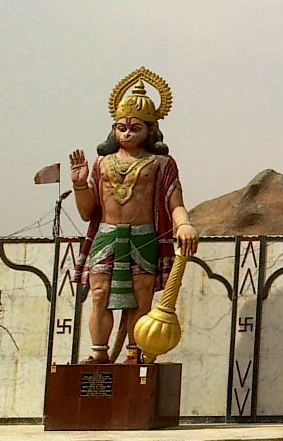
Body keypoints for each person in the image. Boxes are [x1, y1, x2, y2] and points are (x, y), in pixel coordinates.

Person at [71, 69, 197, 364]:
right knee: (99, 294)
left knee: (141, 299)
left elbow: (174, 202)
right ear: (113, 130)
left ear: (150, 131)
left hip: (144, 237)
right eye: (121, 128)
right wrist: (79, 183)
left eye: (135, 128)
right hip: (108, 236)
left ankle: (134, 352)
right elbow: (87, 212)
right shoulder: (102, 163)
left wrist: (185, 224)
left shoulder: (161, 163)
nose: (127, 134)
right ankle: (99, 353)